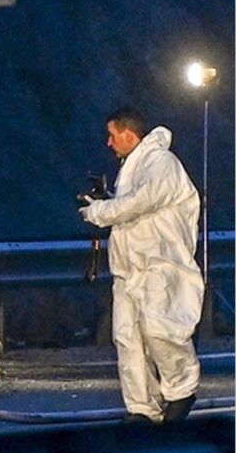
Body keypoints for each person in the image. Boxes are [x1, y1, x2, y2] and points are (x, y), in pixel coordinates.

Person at [79, 107, 203, 424]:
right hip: (129, 269)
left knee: (162, 331)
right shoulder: (132, 168)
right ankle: (142, 409)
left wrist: (101, 212)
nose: (109, 142)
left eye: (112, 134)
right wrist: (105, 203)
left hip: (161, 264)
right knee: (128, 338)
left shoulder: (161, 163)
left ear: (129, 134)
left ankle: (181, 391)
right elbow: (133, 208)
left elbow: (142, 202)